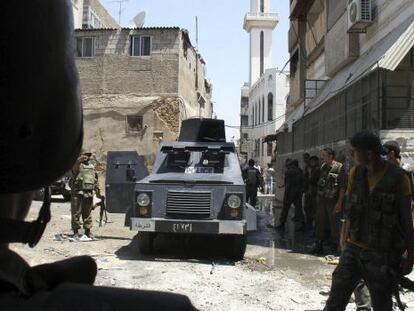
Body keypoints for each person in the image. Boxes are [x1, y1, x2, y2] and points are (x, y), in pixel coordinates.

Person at [0, 2, 195, 310]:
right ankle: (80, 230)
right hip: (78, 193)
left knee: (86, 214)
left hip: (86, 193)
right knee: (79, 213)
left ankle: (85, 230)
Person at [324, 131, 414, 311]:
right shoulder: (355, 174)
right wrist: (344, 241)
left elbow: (407, 220)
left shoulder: (399, 178)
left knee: (382, 305)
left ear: (369, 154)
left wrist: (410, 256)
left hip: (382, 254)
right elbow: (350, 211)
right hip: (354, 248)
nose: (351, 155)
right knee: (335, 301)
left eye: (354, 151)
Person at [311, 148, 342, 254]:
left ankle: (335, 245)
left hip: (333, 200)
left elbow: (343, 187)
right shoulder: (323, 167)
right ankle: (319, 244)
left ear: (331, 156)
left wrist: (339, 202)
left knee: (334, 223)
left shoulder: (339, 168)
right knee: (320, 222)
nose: (322, 157)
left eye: (324, 155)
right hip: (322, 199)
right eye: (322, 155)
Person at [69, 152, 101, 238]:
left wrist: (98, 193)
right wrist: (78, 161)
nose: (86, 157)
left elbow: (95, 180)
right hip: (77, 192)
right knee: (76, 213)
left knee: (87, 213)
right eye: (84, 155)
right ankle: (76, 232)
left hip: (89, 193)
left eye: (88, 155)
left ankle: (88, 231)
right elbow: (74, 169)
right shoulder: (77, 165)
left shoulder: (92, 167)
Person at [276, 159, 305, 229]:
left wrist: (286, 194)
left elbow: (288, 184)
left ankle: (282, 223)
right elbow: (303, 181)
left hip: (290, 193)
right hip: (298, 192)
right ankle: (303, 223)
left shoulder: (289, 171)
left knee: (285, 208)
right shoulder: (300, 171)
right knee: (299, 208)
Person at [304, 156, 320, 231]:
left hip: (314, 192)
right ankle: (308, 225)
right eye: (310, 162)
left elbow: (313, 180)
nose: (311, 163)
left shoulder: (317, 170)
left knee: (314, 211)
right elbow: (306, 180)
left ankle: (315, 228)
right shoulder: (310, 169)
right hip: (309, 192)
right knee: (307, 209)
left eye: (312, 161)